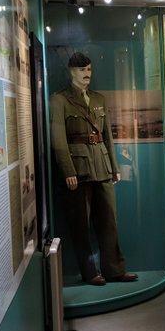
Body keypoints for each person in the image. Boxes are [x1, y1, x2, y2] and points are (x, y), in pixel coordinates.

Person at [50, 52, 138, 286]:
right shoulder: (59, 100)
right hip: (78, 169)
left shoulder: (99, 99)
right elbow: (58, 139)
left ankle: (115, 269)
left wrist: (114, 166)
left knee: (109, 220)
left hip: (101, 165)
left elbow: (107, 135)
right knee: (80, 223)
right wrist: (68, 170)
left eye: (89, 69)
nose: (86, 74)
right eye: (82, 70)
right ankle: (90, 272)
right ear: (71, 72)